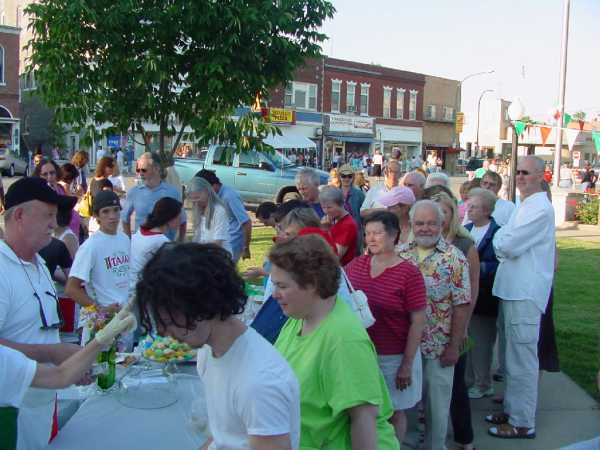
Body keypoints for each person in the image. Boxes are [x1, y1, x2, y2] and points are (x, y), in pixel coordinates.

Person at [135, 243, 300, 449]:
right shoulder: (208, 350)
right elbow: (224, 437)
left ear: (202, 303)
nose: (161, 331)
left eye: (168, 319)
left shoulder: (260, 383)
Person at [271, 235, 400, 450]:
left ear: (312, 284)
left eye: (282, 286)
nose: (275, 295)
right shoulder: (300, 317)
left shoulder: (343, 340)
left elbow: (364, 419)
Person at [0, 178, 82, 449]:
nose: (53, 223)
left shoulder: (40, 264)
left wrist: (70, 360)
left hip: (44, 406)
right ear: (20, 215)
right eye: (47, 214)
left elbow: (44, 331)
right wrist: (50, 354)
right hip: (11, 417)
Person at [487, 156, 556, 439]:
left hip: (525, 293)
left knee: (523, 360)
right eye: (517, 172)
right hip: (512, 290)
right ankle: (514, 410)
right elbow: (505, 238)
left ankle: (523, 421)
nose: (520, 177)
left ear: (541, 175)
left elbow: (508, 243)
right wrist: (503, 240)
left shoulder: (540, 208)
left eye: (526, 172)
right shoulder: (525, 205)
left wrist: (502, 242)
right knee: (511, 359)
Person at [0, 309, 135, 450]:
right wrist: (100, 339)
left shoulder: (5, 358)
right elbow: (60, 375)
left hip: (42, 406)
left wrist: (100, 340)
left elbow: (61, 375)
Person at [345, 211, 426, 443]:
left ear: (394, 236)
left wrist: (406, 365)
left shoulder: (409, 273)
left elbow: (417, 322)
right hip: (362, 353)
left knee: (393, 412)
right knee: (363, 411)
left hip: (394, 357)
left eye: (378, 233)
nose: (371, 239)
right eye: (368, 233)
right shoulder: (356, 266)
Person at [396, 200, 471, 450]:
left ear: (442, 224)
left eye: (431, 223)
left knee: (437, 405)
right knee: (404, 403)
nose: (425, 228)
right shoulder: (399, 254)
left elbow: (461, 305)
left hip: (439, 345)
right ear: (411, 224)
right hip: (403, 345)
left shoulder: (454, 258)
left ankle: (434, 446)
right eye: (420, 223)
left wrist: (454, 346)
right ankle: (406, 444)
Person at [428, 191, 480, 450]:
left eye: (444, 212)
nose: (439, 218)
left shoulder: (464, 245)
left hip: (456, 326)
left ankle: (464, 437)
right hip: (428, 329)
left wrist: (463, 328)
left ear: (452, 215)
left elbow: (472, 289)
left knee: (456, 385)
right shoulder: (422, 244)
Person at [66, 191, 131, 332]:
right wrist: (101, 310)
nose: (112, 216)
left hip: (125, 319)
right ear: (96, 216)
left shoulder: (124, 239)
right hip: (101, 324)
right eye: (105, 212)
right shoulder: (91, 246)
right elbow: (72, 288)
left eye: (116, 210)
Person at [464, 188, 501, 400]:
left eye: (474, 207)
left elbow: (498, 264)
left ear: (486, 210)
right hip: (467, 295)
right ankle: (469, 380)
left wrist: (477, 267)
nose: (469, 210)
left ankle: (483, 383)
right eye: (468, 206)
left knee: (482, 342)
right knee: (467, 340)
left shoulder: (497, 232)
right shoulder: (466, 229)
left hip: (485, 297)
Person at [122, 152, 186, 242]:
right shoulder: (134, 192)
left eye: (143, 170)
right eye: (138, 170)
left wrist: (180, 242)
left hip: (165, 248)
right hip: (141, 248)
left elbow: (182, 220)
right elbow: (125, 218)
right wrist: (129, 241)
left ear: (157, 168)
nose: (140, 173)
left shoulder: (172, 192)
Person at [196, 169, 251, 262]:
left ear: (213, 185)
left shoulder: (229, 196)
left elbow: (246, 222)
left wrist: (246, 248)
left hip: (231, 245)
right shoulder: (215, 196)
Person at [130, 197, 182, 290]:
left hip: (130, 286)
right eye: (178, 216)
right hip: (141, 291)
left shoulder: (139, 232)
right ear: (170, 217)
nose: (181, 220)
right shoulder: (162, 242)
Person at [188, 176, 232, 256]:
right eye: (193, 200)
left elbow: (218, 243)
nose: (196, 202)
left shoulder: (219, 210)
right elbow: (198, 239)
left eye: (198, 198)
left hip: (220, 258)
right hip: (205, 256)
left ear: (207, 192)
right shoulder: (199, 210)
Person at [319, 186, 358, 266]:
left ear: (340, 204)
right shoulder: (332, 218)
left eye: (329, 207)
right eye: (323, 207)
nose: (326, 211)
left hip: (341, 269)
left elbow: (335, 256)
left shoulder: (347, 225)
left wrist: (325, 231)